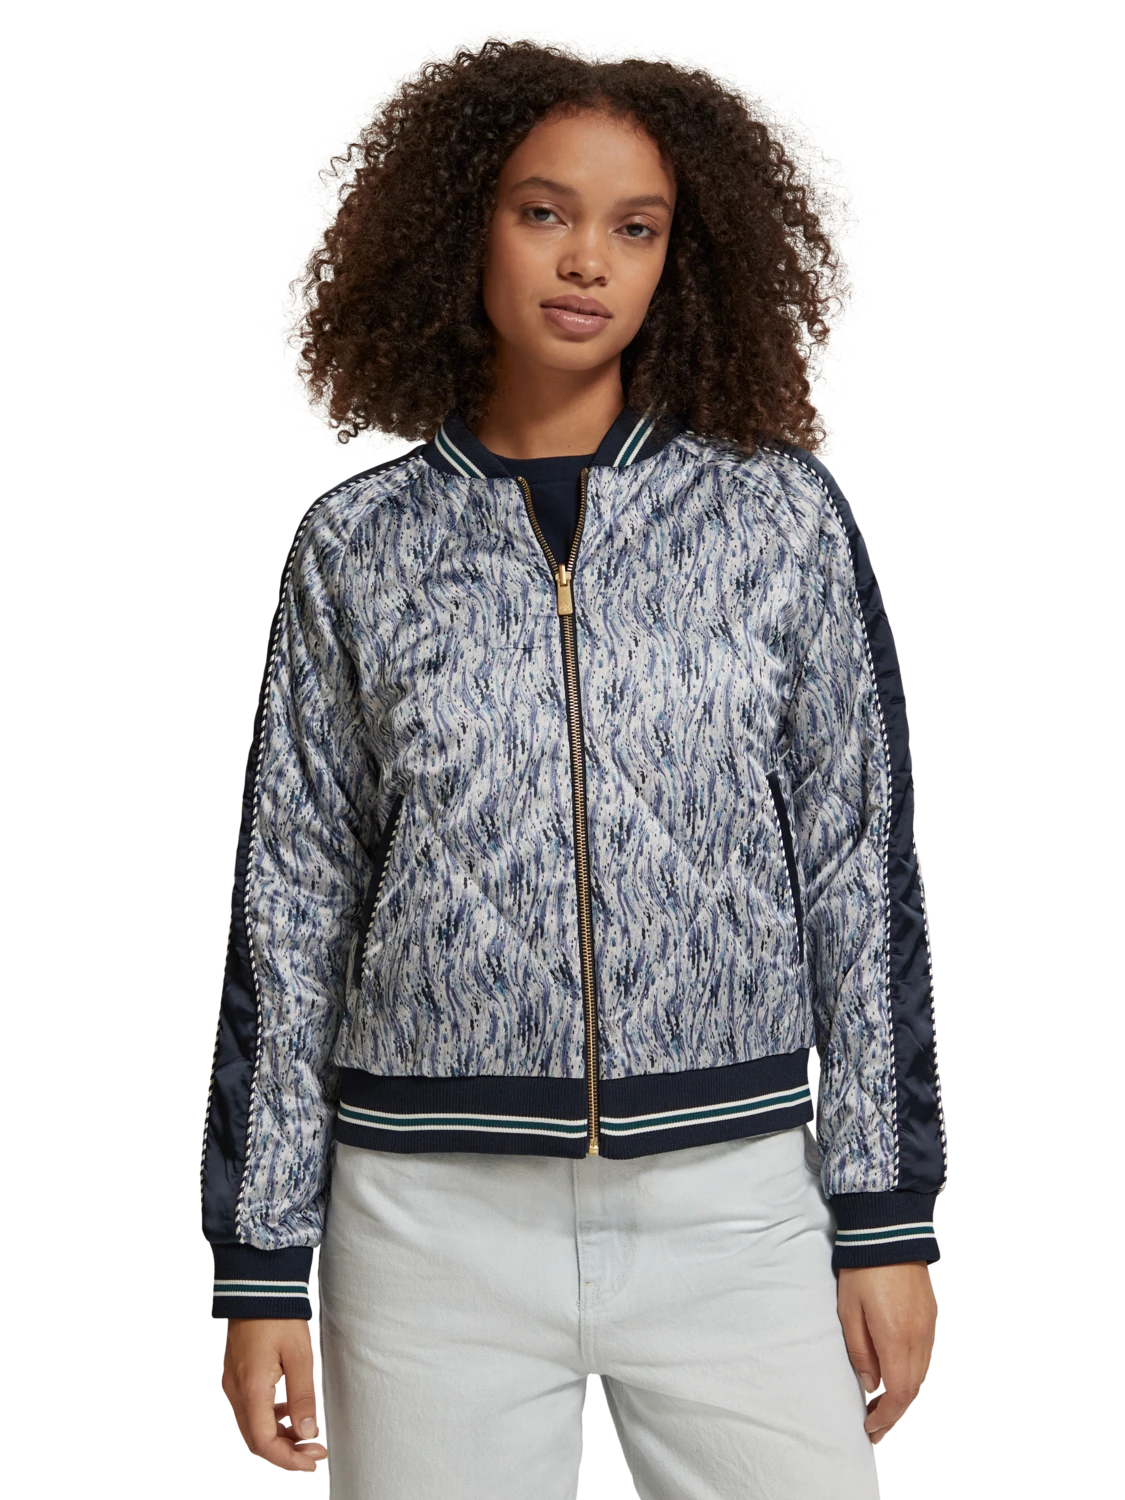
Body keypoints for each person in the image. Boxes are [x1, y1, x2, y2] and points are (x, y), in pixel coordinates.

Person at [202, 35, 944, 1498]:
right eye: (543, 211)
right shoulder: (356, 549)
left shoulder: (783, 522)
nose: (587, 259)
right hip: (427, 1227)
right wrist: (260, 1260)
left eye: (635, 226)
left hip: (736, 1202)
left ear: (684, 257)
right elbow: (291, 911)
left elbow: (860, 881)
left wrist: (886, 1219)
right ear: (461, 225)